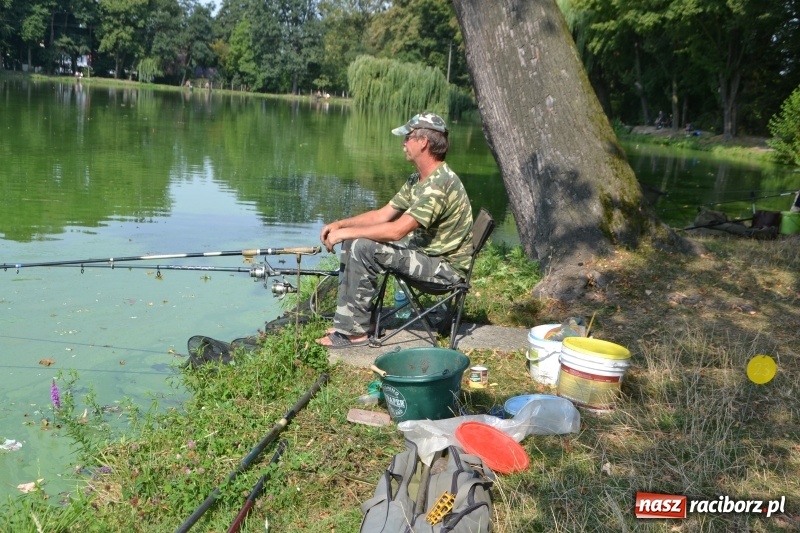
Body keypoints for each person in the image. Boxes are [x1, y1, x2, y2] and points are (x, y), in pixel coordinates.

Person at [316, 112, 474, 348]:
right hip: (426, 256)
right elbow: (382, 215)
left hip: (444, 270)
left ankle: (354, 334)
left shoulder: (439, 185)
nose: (403, 143)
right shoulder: (419, 180)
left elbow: (397, 231)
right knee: (354, 242)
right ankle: (353, 322)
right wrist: (341, 225)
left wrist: (347, 234)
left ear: (423, 142)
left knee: (361, 246)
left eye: (408, 137)